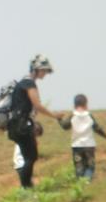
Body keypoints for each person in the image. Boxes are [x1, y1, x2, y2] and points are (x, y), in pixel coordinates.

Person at [8, 54, 66, 189]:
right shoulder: (29, 83)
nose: (45, 73)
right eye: (43, 70)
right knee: (31, 157)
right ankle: (26, 187)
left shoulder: (23, 82)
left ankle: (26, 186)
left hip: (16, 125)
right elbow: (38, 105)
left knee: (29, 156)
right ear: (36, 69)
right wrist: (54, 115)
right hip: (22, 126)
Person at [64, 93, 106, 181]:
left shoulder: (72, 116)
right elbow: (97, 128)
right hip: (89, 146)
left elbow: (65, 126)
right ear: (86, 104)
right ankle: (87, 181)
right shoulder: (89, 115)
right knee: (90, 167)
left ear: (74, 105)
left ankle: (81, 184)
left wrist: (59, 119)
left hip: (76, 146)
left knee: (79, 167)